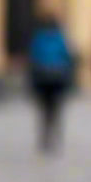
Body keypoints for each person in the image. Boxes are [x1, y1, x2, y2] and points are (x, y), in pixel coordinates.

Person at [28, 15, 75, 154]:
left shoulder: (39, 39)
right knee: (55, 109)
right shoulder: (60, 39)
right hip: (56, 79)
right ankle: (54, 135)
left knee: (44, 109)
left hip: (43, 79)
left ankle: (46, 136)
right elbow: (68, 57)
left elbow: (33, 58)